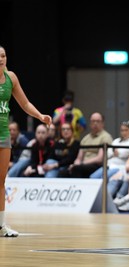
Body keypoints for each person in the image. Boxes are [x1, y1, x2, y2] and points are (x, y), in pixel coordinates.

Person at [0, 45, 52, 236]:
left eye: (3, 55)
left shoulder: (11, 78)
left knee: (1, 182)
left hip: (4, 134)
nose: (1, 59)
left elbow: (25, 103)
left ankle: (1, 226)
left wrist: (40, 116)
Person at [69, 112, 113, 178]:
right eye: (93, 121)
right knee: (64, 171)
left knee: (77, 169)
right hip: (83, 165)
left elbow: (99, 159)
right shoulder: (85, 138)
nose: (95, 123)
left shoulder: (106, 137)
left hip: (97, 165)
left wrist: (81, 164)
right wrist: (75, 164)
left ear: (102, 123)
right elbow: (79, 158)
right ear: (90, 123)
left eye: (98, 121)